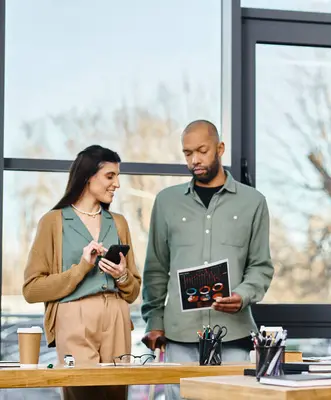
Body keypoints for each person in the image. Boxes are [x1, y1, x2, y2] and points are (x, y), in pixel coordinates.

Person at [141, 120, 274, 400]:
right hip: (180, 337)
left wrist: (243, 295)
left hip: (234, 336)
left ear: (220, 148)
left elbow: (260, 267)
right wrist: (154, 320)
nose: (194, 160)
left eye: (201, 151)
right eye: (187, 153)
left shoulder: (253, 202)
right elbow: (156, 268)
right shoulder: (166, 202)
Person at [22, 145, 141, 400]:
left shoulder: (118, 223)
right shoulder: (53, 222)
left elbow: (133, 292)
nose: (117, 184)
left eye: (117, 176)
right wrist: (82, 268)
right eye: (110, 176)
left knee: (116, 393)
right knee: (81, 393)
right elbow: (31, 289)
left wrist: (121, 275)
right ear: (88, 177)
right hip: (73, 316)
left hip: (117, 316)